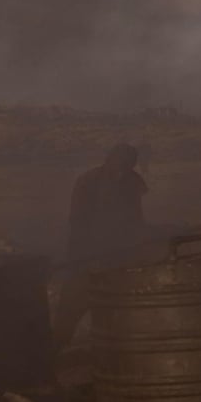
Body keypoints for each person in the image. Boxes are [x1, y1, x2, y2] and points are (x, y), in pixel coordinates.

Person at [54, 143, 150, 345]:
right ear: (109, 159)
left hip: (118, 261)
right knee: (68, 314)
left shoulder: (132, 182)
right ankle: (48, 362)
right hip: (85, 260)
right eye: (120, 161)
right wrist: (89, 257)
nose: (123, 168)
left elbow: (135, 220)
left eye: (128, 163)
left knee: (115, 317)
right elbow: (78, 223)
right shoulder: (89, 181)